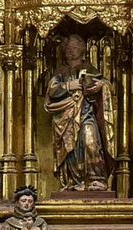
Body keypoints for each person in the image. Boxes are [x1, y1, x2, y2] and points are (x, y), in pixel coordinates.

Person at [44, 34, 112, 191]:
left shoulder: (89, 68)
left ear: (82, 50)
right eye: (67, 48)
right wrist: (70, 86)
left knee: (91, 141)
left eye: (74, 48)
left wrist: (101, 86)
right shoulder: (60, 71)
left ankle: (96, 179)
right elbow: (52, 91)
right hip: (65, 118)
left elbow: (106, 84)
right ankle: (74, 182)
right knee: (70, 147)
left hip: (86, 115)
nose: (70, 51)